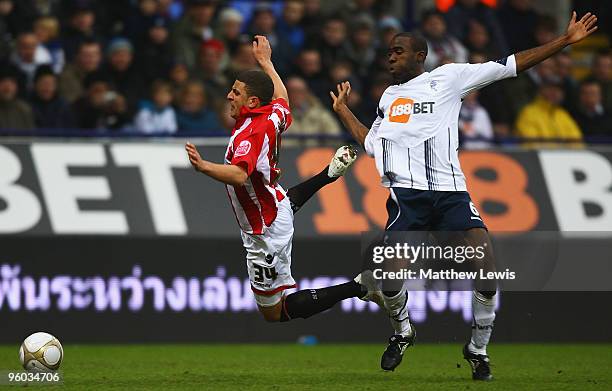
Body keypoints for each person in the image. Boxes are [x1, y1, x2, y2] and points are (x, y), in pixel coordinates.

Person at [330, 11, 598, 379]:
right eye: (388, 51)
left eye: (397, 51)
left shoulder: (449, 77)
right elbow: (373, 145)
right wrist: (344, 111)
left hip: (451, 195)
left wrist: (564, 41)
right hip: (407, 200)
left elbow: (509, 65)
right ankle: (403, 332)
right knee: (391, 280)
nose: (389, 56)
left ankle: (478, 348)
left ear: (419, 56)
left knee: (487, 273)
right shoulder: (388, 98)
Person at [185, 36, 383, 324]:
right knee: (281, 201)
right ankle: (328, 175)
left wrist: (204, 166)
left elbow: (239, 174)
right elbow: (283, 100)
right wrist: (266, 62)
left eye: (236, 92)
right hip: (276, 201)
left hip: (263, 231)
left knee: (273, 313)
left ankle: (361, 286)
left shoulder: (249, 134)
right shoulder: (270, 115)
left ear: (252, 101)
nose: (229, 96)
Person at [515, 81, 582, 143]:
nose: (555, 93)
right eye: (550, 89)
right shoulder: (528, 112)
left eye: (558, 90)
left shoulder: (562, 114)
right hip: (538, 154)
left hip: (566, 154)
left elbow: (576, 140)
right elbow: (530, 141)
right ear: (541, 91)